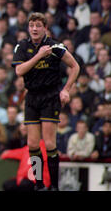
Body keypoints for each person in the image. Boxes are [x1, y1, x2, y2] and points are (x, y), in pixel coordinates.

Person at [12, 12, 80, 191]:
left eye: (38, 26)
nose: (34, 29)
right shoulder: (22, 46)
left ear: (45, 28)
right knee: (33, 144)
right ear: (28, 28)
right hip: (32, 96)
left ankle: (55, 187)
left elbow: (75, 67)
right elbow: (19, 71)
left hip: (50, 96)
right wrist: (38, 56)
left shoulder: (55, 46)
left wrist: (66, 90)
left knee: (49, 143)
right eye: (32, 25)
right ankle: (40, 185)